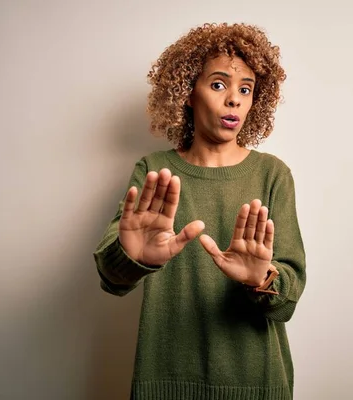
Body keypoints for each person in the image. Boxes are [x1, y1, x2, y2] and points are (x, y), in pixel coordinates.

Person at [93, 22, 306, 400]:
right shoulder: (155, 170)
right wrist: (133, 257)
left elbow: (289, 294)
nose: (234, 100)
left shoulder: (273, 174)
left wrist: (264, 278)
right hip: (167, 383)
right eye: (219, 84)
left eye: (246, 89)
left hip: (256, 384)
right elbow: (111, 277)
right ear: (188, 91)